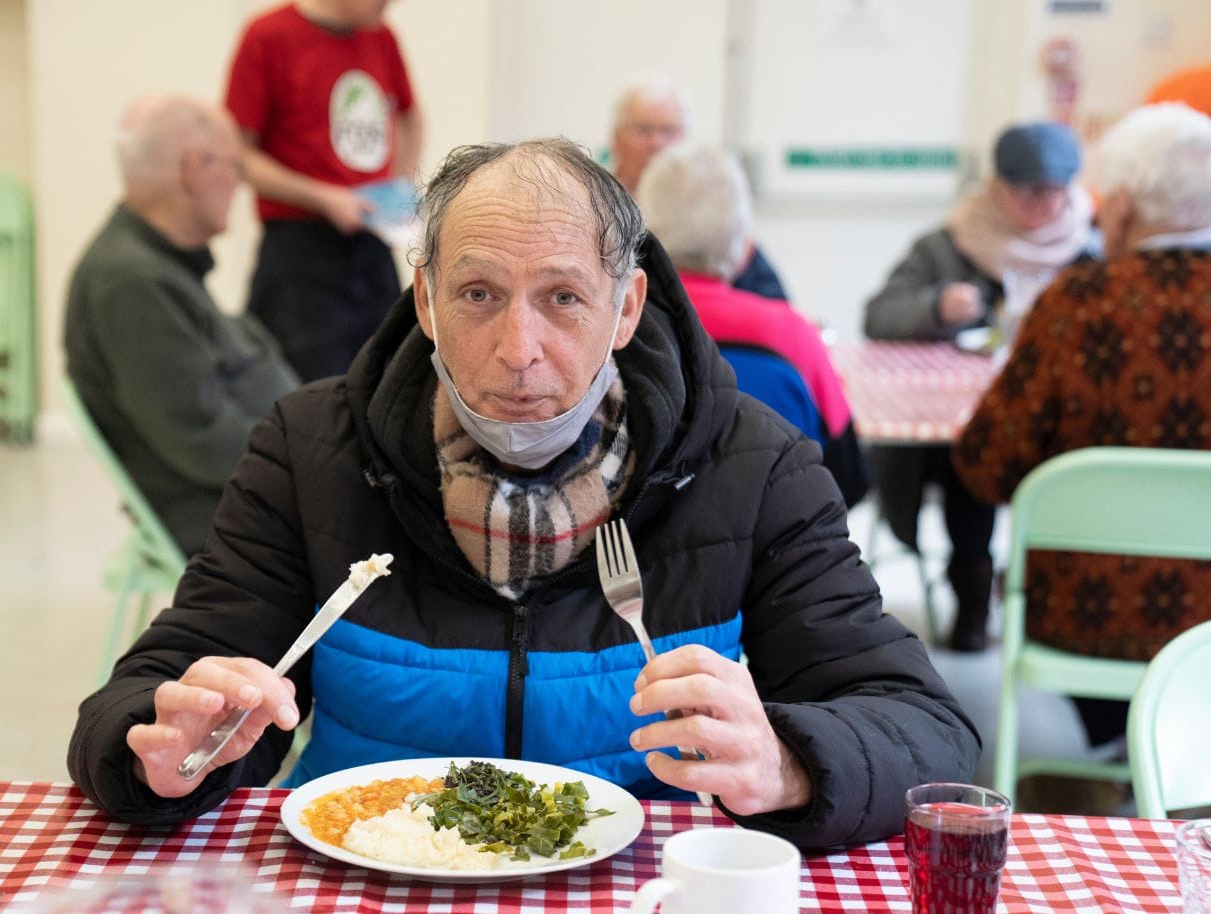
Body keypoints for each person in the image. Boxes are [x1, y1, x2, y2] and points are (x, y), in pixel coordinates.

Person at [67, 138, 979, 850]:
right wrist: (161, 749)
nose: (518, 350)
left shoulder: (755, 467)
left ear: (626, 310)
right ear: (423, 301)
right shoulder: (310, 452)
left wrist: (785, 761)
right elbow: (150, 694)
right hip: (368, 901)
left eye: (564, 299)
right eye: (476, 293)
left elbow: (927, 734)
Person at [952, 102, 1211, 747]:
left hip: (1089, 611)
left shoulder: (1077, 305)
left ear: (1119, 207)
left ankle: (1121, 754)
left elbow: (985, 463)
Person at [862, 121, 1098, 651]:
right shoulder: (949, 245)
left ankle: (1037, 593)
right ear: (997, 187)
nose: (1044, 204)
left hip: (1061, 424)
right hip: (967, 423)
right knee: (973, 456)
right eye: (1028, 191)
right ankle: (972, 598)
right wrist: (934, 306)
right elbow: (878, 315)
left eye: (1056, 191)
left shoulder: (1091, 251)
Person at [64, 94, 299, 557]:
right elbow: (207, 445)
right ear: (195, 169)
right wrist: (315, 464)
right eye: (235, 168)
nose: (238, 186)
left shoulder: (157, 263)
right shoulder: (133, 282)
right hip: (224, 514)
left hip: (250, 494)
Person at [638, 143, 868, 506]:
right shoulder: (792, 335)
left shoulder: (623, 329)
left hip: (642, 555)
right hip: (778, 550)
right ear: (744, 247)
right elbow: (849, 477)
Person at [225, 0, 422, 383]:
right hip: (300, 251)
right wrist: (321, 197)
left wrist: (398, 184)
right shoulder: (268, 36)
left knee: (388, 376)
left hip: (370, 242)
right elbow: (239, 153)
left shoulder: (381, 37)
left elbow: (411, 115)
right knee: (311, 388)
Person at [607, 76, 788, 301]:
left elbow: (770, 298)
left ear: (685, 140)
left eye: (669, 131)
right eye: (643, 130)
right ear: (616, 138)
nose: (656, 143)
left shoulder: (714, 207)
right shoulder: (596, 207)